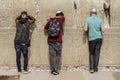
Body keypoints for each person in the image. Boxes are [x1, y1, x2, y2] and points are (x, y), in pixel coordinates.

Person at [84, 8, 104, 73]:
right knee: (97, 53)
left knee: (91, 53)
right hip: (99, 38)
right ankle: (96, 68)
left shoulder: (87, 19)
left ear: (91, 13)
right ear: (96, 13)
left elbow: (85, 29)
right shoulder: (100, 20)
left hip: (91, 39)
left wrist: (85, 26)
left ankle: (92, 68)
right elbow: (103, 30)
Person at [44, 11, 65, 75]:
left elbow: (45, 28)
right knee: (58, 55)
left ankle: (52, 70)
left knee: (51, 56)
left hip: (51, 41)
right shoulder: (61, 20)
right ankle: (56, 69)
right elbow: (63, 17)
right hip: (58, 41)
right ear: (61, 15)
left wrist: (51, 18)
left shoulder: (50, 21)